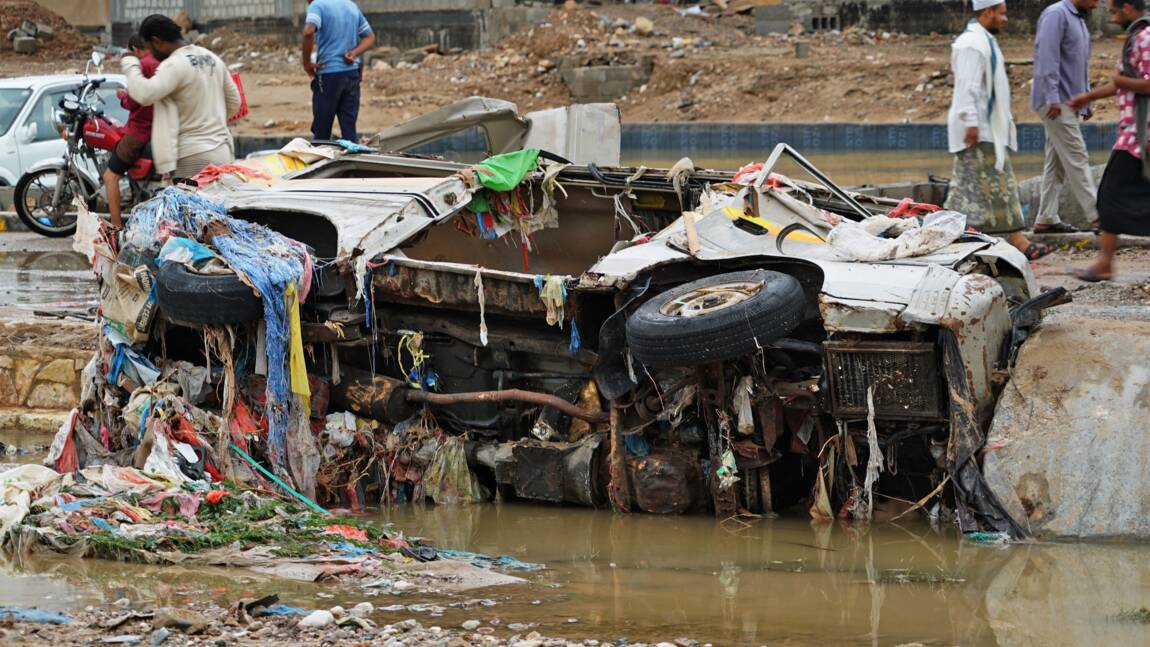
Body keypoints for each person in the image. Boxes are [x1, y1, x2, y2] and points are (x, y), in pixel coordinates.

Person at [944, 0, 1052, 260]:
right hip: (978, 129)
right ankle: (1017, 242)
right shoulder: (971, 44)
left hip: (987, 128)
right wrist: (970, 123)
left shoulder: (984, 41)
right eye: (1001, 13)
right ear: (987, 12)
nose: (1005, 19)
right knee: (993, 186)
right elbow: (968, 86)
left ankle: (956, 239)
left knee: (974, 190)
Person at [1069, 0, 1150, 281]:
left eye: (1114, 12)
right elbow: (1123, 81)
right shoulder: (1136, 38)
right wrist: (1088, 97)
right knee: (1117, 197)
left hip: (1140, 136)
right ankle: (1105, 263)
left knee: (1109, 196)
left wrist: (1121, 81)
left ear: (1128, 8)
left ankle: (1105, 264)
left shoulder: (1145, 38)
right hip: (1134, 134)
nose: (1113, 18)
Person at [120, 14, 241, 180]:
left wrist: (130, 63)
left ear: (157, 42)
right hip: (223, 152)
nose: (152, 55)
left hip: (192, 157)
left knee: (190, 206)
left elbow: (144, 94)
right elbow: (235, 103)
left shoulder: (173, 65)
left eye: (150, 48)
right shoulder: (212, 58)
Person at [1030, 0, 1100, 234]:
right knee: (1076, 154)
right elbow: (1046, 58)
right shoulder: (1056, 14)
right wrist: (1052, 97)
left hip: (1069, 100)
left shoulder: (1078, 19)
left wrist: (1085, 99)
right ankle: (1099, 217)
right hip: (1055, 101)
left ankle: (1046, 217)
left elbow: (1079, 64)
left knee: (1056, 161)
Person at [302, 0, 375, 142]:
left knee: (321, 133)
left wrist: (306, 63)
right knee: (349, 131)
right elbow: (369, 36)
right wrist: (354, 53)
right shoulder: (351, 5)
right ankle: (351, 162)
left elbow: (308, 32)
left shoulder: (318, 5)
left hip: (329, 74)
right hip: (352, 74)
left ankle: (321, 163)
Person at [104, 34, 157, 228]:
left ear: (135, 50)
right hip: (157, 130)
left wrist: (122, 96)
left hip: (139, 132)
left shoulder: (142, 66)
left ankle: (116, 226)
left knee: (110, 176)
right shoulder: (162, 64)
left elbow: (135, 100)